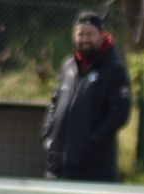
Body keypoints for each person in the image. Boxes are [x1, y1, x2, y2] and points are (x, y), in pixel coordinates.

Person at [42, 11, 130, 182]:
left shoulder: (114, 69)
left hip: (93, 169)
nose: (84, 39)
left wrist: (93, 142)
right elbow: (55, 101)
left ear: (102, 35)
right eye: (80, 34)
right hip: (58, 165)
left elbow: (120, 113)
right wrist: (48, 134)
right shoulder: (69, 66)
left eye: (90, 34)